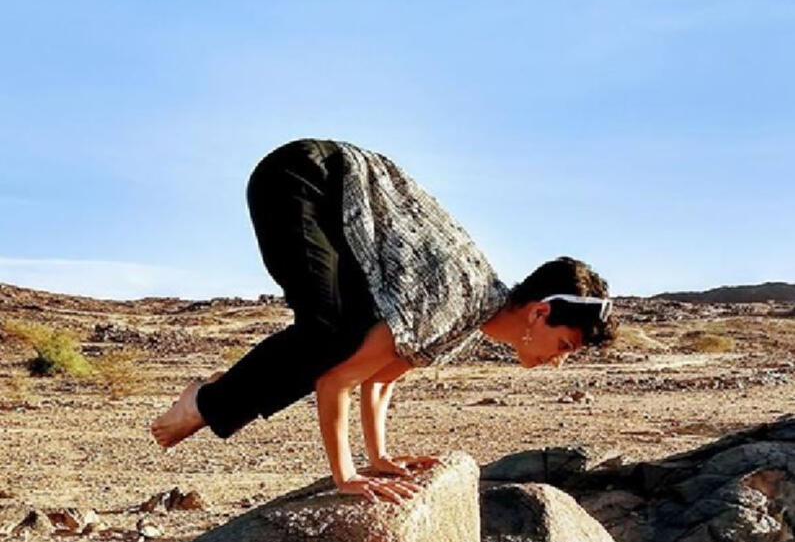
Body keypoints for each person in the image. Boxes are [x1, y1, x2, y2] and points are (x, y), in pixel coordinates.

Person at [151, 138, 617, 503]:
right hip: (302, 177)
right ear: (540, 312)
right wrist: (347, 475)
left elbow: (378, 379)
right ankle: (204, 401)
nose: (557, 362)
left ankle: (214, 397)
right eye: (563, 347)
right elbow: (336, 382)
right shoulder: (455, 304)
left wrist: (380, 458)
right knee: (328, 336)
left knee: (342, 336)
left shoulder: (468, 321)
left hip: (328, 198)